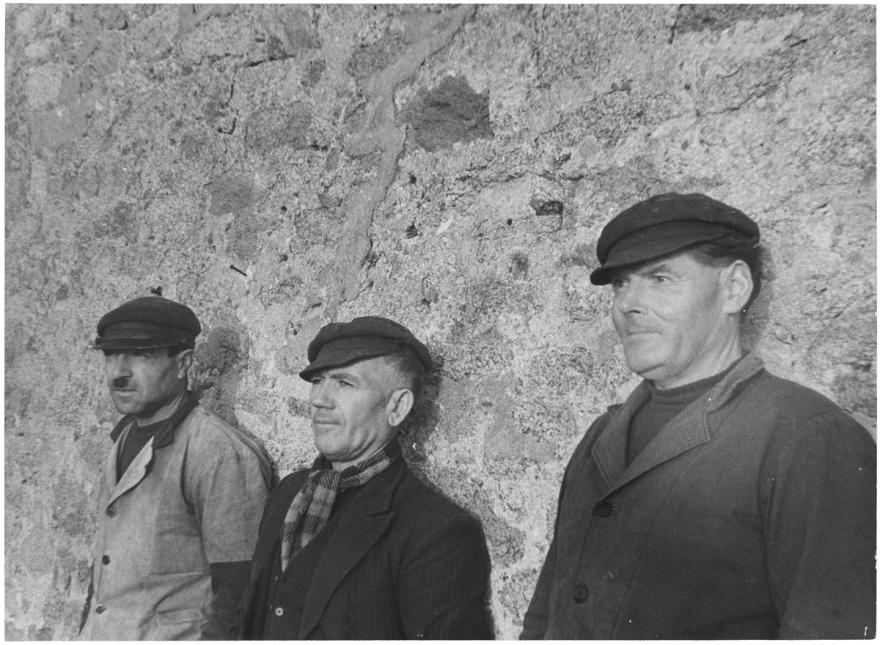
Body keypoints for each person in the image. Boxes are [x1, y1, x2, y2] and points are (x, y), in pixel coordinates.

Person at [521, 192, 876, 639]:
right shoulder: (601, 437)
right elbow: (546, 615)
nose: (628, 304)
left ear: (734, 289)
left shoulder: (806, 438)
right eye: (620, 284)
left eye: (659, 278)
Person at [239, 316, 494, 639]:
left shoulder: (437, 531)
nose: (319, 400)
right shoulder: (289, 492)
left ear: (397, 407)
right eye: (318, 381)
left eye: (345, 383)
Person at [80, 295, 271, 640]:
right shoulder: (122, 440)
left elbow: (239, 589)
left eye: (141, 355)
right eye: (111, 355)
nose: (119, 373)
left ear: (183, 364)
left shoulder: (217, 451)